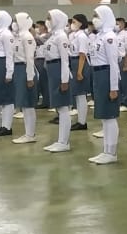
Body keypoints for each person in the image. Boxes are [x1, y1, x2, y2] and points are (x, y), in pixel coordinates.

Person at [88, 6, 122, 165]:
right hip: (98, 74)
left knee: (110, 116)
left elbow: (114, 63)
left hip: (107, 74)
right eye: (94, 15)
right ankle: (106, 150)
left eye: (97, 16)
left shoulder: (110, 37)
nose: (94, 19)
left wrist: (113, 87)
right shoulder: (98, 36)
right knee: (104, 116)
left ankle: (111, 151)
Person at [42, 10, 74, 153]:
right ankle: (61, 140)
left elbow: (65, 60)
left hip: (59, 70)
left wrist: (64, 79)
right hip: (52, 70)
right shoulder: (53, 36)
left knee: (63, 108)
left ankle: (64, 141)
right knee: (59, 107)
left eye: (49, 18)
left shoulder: (61, 36)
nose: (47, 20)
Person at [10, 12, 40, 145]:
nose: (14, 23)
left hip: (25, 69)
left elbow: (29, 58)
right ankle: (28, 133)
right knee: (24, 103)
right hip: (18, 69)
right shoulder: (18, 36)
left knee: (28, 104)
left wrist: (29, 77)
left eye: (16, 20)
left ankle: (30, 134)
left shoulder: (27, 36)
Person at [70, 14, 92, 132]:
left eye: (74, 22)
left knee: (81, 94)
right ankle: (80, 120)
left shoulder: (82, 36)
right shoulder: (74, 35)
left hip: (80, 64)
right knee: (77, 95)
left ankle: (82, 122)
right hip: (74, 63)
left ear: (80, 22)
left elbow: (82, 54)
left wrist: (79, 71)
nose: (72, 24)